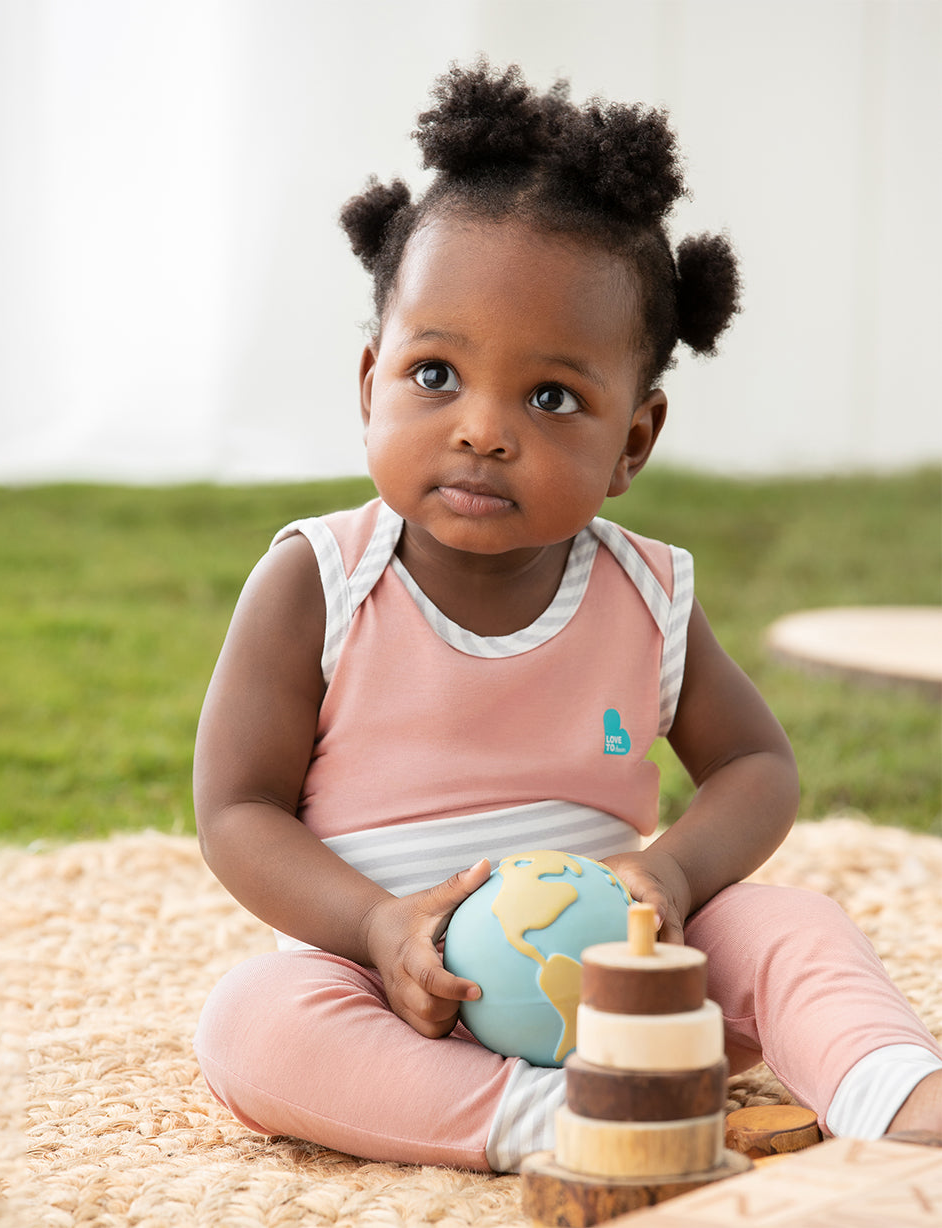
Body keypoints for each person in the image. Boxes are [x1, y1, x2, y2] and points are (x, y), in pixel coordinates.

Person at [192, 62, 941, 1171]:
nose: (482, 429)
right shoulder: (318, 580)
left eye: (550, 398)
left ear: (631, 441)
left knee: (789, 926)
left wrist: (675, 878)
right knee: (254, 1022)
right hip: (391, 977)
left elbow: (755, 770)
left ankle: (895, 1098)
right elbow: (238, 810)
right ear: (368, 384)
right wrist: (372, 927)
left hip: (618, 975)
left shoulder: (644, 593)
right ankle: (556, 1122)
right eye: (435, 373)